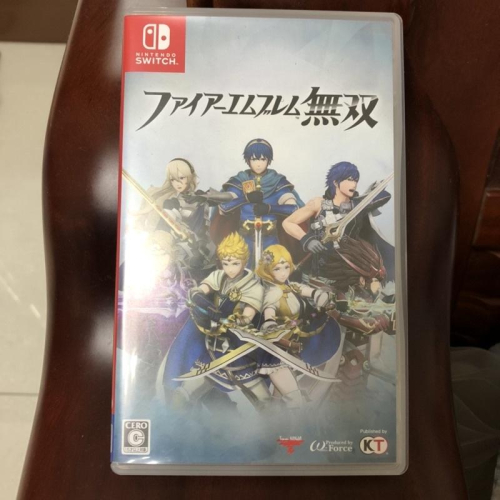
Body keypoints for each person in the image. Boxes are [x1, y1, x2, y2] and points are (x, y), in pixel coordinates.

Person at [163, 232, 274, 411]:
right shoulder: (219, 276)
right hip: (215, 346)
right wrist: (203, 302)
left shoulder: (253, 286)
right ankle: (176, 419)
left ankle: (277, 422)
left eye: (235, 263)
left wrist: (236, 321)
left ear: (244, 261)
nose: (230, 269)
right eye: (226, 263)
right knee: (186, 392)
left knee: (262, 398)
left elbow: (248, 315)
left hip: (238, 348)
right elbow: (199, 291)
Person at [255, 244, 342, 405]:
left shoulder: (290, 286)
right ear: (267, 270)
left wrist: (320, 296)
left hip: (293, 349)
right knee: (295, 401)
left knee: (279, 400)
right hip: (276, 354)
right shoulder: (272, 292)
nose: (283, 273)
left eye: (286, 267)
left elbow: (308, 291)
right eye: (277, 269)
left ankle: (274, 418)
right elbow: (269, 311)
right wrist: (270, 324)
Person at [282, 161, 394, 280]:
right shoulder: (319, 203)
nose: (354, 184)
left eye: (356, 180)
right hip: (321, 270)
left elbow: (385, 195)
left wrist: (358, 201)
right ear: (335, 182)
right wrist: (307, 240)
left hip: (349, 270)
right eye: (350, 179)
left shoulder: (358, 206)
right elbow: (288, 223)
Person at [210, 139, 304, 268]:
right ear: (248, 160)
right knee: (244, 273)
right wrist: (246, 199)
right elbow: (224, 208)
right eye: (254, 159)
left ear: (268, 160)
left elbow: (293, 209)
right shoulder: (240, 180)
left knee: (270, 272)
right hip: (244, 239)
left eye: (263, 159)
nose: (258, 164)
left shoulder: (277, 181)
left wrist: (269, 208)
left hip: (270, 238)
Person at [132, 158, 216, 276]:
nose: (177, 183)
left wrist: (204, 197)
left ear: (189, 177)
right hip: (174, 245)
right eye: (173, 179)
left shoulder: (200, 198)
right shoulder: (170, 200)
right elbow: (166, 224)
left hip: (198, 247)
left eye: (181, 178)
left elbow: (227, 198)